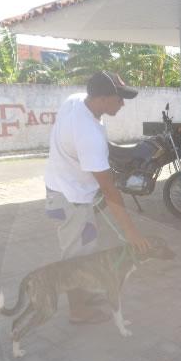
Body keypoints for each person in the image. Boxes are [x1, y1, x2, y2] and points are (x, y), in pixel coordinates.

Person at [45, 71, 150, 324]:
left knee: (86, 249)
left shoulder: (76, 100)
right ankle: (78, 312)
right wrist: (131, 232)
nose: (122, 104)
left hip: (63, 187)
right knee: (75, 258)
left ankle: (82, 297)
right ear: (102, 99)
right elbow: (110, 190)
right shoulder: (88, 135)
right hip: (70, 199)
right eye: (119, 99)